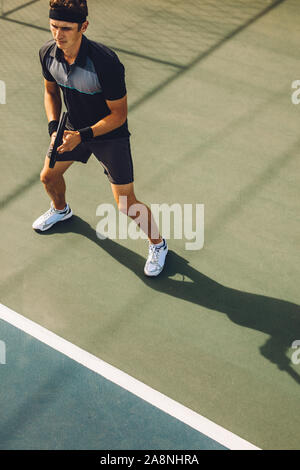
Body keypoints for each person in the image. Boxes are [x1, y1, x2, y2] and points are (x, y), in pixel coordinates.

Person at [33, 0, 168, 277]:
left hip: (109, 134)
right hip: (72, 125)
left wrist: (81, 137)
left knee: (125, 203)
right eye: (54, 26)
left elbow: (118, 115)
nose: (58, 35)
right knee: (48, 177)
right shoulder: (48, 53)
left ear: (83, 26)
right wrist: (53, 130)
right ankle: (61, 210)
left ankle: (159, 244)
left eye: (66, 29)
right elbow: (50, 92)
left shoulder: (105, 62)